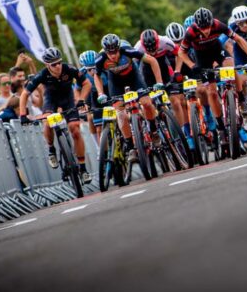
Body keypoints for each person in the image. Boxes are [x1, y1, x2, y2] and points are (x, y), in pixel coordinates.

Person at [177, 7, 247, 155]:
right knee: (212, 93)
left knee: (231, 69)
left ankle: (241, 100)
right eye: (203, 28)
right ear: (197, 26)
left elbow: (238, 39)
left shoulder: (217, 25)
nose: (206, 31)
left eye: (208, 27)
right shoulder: (191, 32)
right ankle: (221, 128)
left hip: (217, 49)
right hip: (201, 57)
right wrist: (192, 65)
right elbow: (181, 52)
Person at [19, 47, 93, 183]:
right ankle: (51, 149)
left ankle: (83, 169)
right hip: (51, 100)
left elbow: (87, 84)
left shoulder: (69, 69)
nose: (58, 66)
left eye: (59, 62)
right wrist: (23, 114)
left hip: (68, 99)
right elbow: (24, 94)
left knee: (75, 129)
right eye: (54, 64)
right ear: (47, 65)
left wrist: (81, 99)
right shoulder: (42, 74)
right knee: (47, 123)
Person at [94, 33, 164, 163]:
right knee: (120, 113)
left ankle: (154, 132)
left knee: (147, 103)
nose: (113, 55)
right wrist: (100, 93)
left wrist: (158, 81)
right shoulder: (100, 59)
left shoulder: (127, 51)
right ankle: (131, 146)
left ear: (119, 48)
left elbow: (152, 60)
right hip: (115, 83)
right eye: (110, 53)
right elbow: (96, 76)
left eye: (115, 51)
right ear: (105, 51)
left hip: (134, 78)